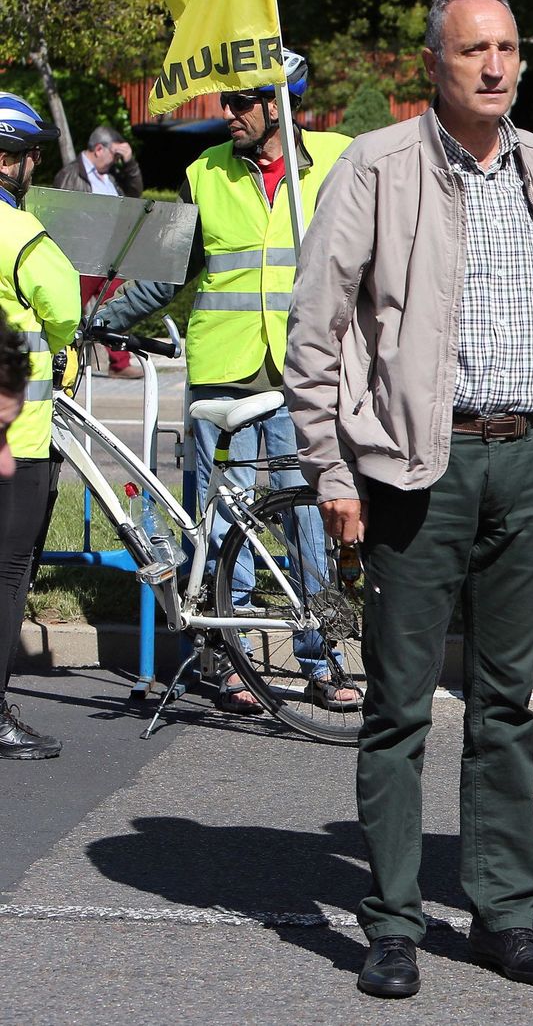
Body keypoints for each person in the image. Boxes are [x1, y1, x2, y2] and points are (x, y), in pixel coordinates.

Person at [285, 0, 533, 999]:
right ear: (435, 64)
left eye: (507, 47)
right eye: (474, 51)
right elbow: (315, 332)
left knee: (507, 703)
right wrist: (333, 471)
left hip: (525, 455)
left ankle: (503, 912)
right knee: (399, 707)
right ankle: (393, 925)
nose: (496, 67)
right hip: (418, 466)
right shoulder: (377, 165)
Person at [97, 50, 359, 714]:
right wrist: (97, 320)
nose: (229, 113)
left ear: (281, 104)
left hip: (309, 370)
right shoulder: (203, 173)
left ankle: (322, 658)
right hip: (226, 377)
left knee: (309, 517)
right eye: (227, 101)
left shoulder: (337, 160)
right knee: (222, 524)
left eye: (243, 101)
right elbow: (164, 272)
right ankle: (232, 654)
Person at [0, 93, 86, 759]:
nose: (33, 167)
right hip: (16, 435)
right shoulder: (22, 234)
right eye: (30, 155)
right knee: (9, 572)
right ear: (8, 160)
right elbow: (63, 308)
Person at [54, 124, 143, 375]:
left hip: (110, 254)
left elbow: (135, 193)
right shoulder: (71, 174)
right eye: (114, 155)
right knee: (70, 307)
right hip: (83, 254)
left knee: (120, 302)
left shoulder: (111, 177)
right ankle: (63, 357)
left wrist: (129, 163)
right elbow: (63, 213)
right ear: (99, 148)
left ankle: (120, 363)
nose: (115, 161)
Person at [53, 125, 143, 198]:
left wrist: (130, 164)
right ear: (99, 150)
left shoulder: (113, 175)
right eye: (116, 155)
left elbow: (134, 195)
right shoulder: (69, 175)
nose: (116, 161)